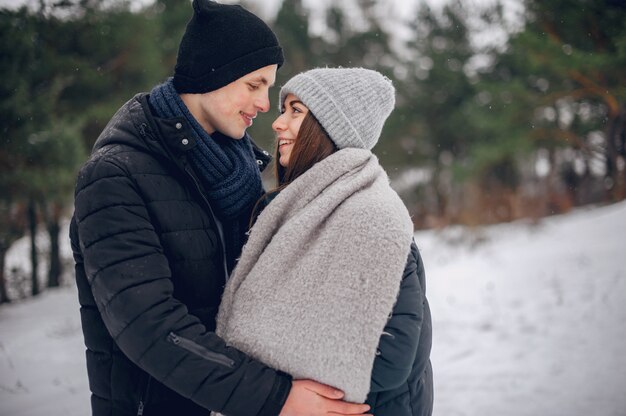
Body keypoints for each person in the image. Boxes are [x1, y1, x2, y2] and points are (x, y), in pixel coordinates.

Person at [69, 1, 372, 415]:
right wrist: (276, 397)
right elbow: (148, 326)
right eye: (254, 85)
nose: (265, 104)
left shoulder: (237, 173)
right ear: (212, 74)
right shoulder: (116, 176)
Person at [216, 67, 434, 416]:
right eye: (283, 109)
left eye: (296, 111)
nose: (277, 123)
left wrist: (272, 387)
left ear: (329, 128)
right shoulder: (290, 213)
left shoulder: (370, 218)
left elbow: (391, 357)